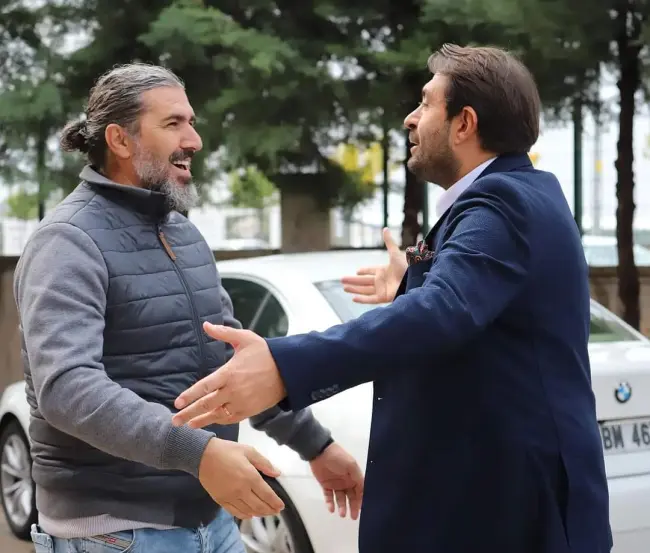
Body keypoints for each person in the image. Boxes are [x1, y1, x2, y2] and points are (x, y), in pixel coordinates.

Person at [171, 44, 613, 553]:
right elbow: (467, 307)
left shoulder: (502, 201)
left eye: (426, 103)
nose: (410, 118)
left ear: (464, 123)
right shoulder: (517, 195)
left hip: (506, 516)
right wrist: (414, 280)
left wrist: (283, 366)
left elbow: (444, 310)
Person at [14, 62, 363, 553]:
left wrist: (316, 446)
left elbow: (234, 365)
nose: (194, 140)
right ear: (120, 140)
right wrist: (199, 454)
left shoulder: (184, 234)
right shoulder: (67, 240)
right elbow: (67, 388)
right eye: (173, 123)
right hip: (115, 534)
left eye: (192, 122)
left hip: (211, 522)